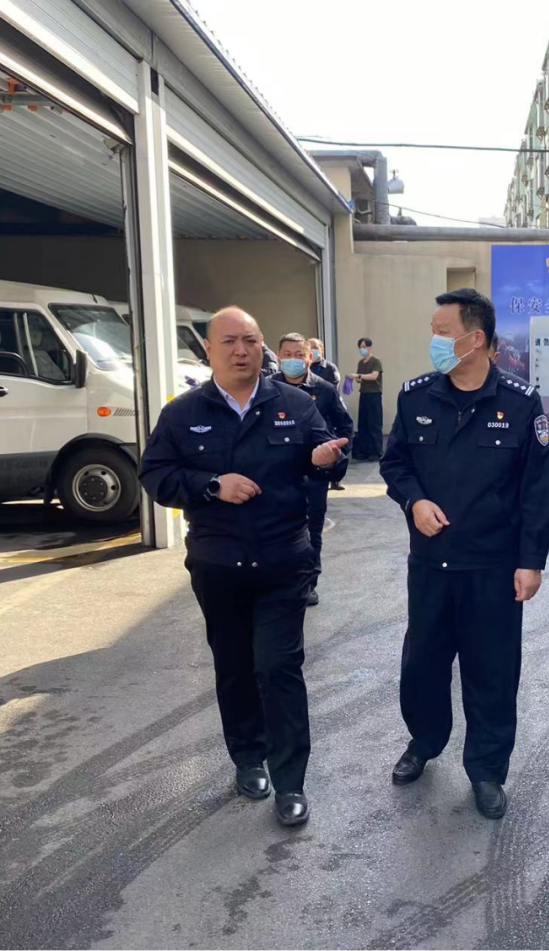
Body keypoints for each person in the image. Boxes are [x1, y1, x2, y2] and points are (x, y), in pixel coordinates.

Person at [139, 307, 348, 828]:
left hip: (283, 561)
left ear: (263, 349)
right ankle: (248, 759)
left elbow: (328, 457)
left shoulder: (295, 404)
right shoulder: (182, 413)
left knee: (278, 667)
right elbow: (156, 475)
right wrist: (212, 486)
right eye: (229, 341)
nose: (241, 351)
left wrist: (327, 461)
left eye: (250, 341)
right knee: (234, 666)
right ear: (209, 351)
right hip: (218, 564)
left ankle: (291, 781)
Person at [381, 288, 549, 820]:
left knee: (492, 672)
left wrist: (531, 562)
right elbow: (395, 464)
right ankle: (424, 742)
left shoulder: (522, 404)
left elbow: (536, 492)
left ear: (475, 339)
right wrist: (414, 501)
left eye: (443, 332)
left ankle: (486, 770)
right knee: (423, 664)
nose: (433, 341)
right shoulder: (415, 398)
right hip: (431, 564)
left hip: (493, 568)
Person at [274, 333, 353, 606]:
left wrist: (335, 458)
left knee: (311, 533)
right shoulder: (267, 388)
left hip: (314, 476)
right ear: (278, 356)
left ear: (309, 357)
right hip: (277, 476)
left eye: (299, 355)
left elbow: (345, 426)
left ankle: (308, 584)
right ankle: (280, 583)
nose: (293, 360)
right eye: (287, 354)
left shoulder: (325, 389)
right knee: (276, 531)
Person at [308, 338, 346, 490]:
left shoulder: (329, 368)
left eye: (315, 348)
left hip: (326, 414)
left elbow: (332, 389)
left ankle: (335, 479)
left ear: (321, 350)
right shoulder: (307, 366)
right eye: (309, 347)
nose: (312, 351)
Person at [348, 338, 383, 461]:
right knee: (363, 424)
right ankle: (366, 451)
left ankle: (377, 451)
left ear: (369, 347)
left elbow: (374, 376)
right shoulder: (361, 363)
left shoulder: (375, 361)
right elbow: (360, 379)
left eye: (364, 346)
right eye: (360, 347)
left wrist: (358, 375)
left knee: (374, 424)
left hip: (374, 395)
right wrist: (353, 378)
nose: (362, 349)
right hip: (364, 394)